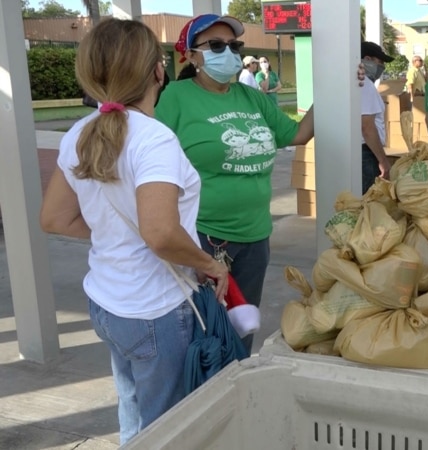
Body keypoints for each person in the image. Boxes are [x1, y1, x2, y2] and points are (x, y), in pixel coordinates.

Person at [38, 18, 229, 444]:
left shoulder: (79, 135)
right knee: (166, 429)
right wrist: (210, 265)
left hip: (108, 303)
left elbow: (55, 218)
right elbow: (160, 233)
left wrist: (113, 234)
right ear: (158, 72)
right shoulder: (154, 140)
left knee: (134, 412)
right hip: (155, 310)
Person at [156, 14, 363, 353]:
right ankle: (203, 396)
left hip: (254, 238)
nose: (229, 52)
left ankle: (234, 387)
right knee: (202, 334)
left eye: (234, 46)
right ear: (191, 55)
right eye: (216, 46)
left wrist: (336, 84)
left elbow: (297, 133)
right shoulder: (175, 98)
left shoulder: (251, 98)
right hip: (204, 239)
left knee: (241, 329)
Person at [360, 41, 393, 194]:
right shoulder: (364, 85)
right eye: (380, 62)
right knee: (368, 204)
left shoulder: (351, 82)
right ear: (367, 59)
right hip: (367, 154)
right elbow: (367, 127)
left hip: (359, 151)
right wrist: (383, 161)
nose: (382, 68)